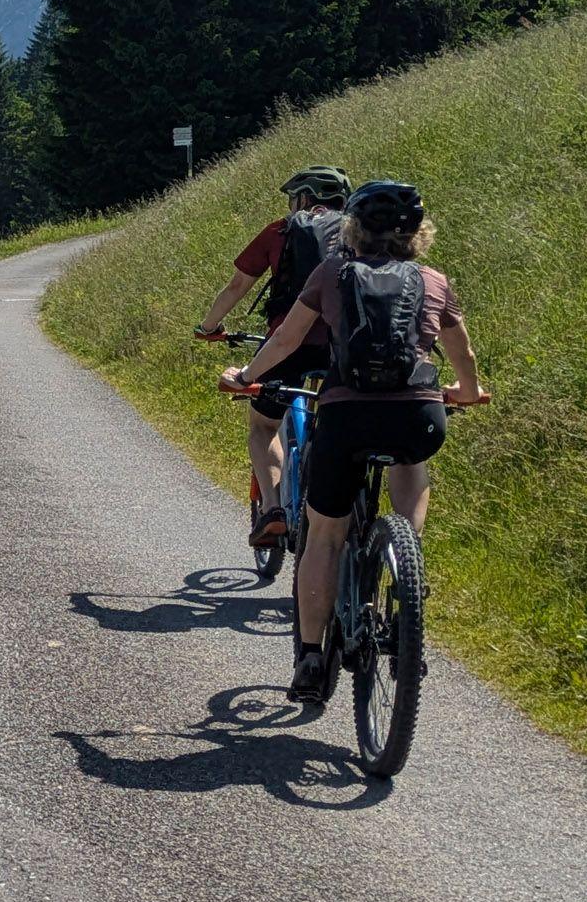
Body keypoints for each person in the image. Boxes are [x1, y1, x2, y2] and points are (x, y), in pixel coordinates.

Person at [221, 181, 488, 701]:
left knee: (324, 536)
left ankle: (311, 658)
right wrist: (468, 393)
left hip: (347, 415)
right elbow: (464, 356)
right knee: (410, 459)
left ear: (352, 229)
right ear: (418, 234)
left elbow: (287, 339)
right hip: (419, 414)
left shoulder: (331, 273)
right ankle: (405, 564)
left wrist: (246, 375)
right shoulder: (434, 281)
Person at [194, 166, 352, 550]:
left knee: (263, 426)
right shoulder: (360, 233)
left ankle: (272, 509)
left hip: (288, 344)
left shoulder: (281, 231)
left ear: (305, 198)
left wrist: (209, 326)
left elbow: (237, 285)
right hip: (344, 346)